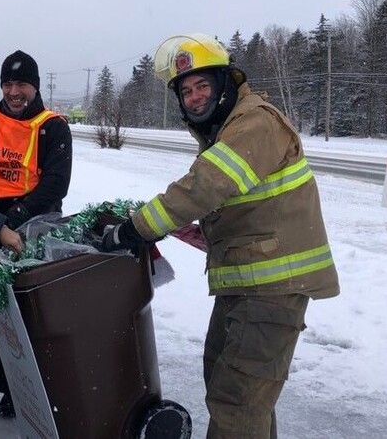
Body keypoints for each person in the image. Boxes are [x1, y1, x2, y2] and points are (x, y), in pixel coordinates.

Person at [101, 33, 340, 438]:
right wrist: (211, 233)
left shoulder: (255, 121)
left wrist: (136, 228)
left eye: (202, 86)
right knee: (240, 398)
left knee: (238, 404)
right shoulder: (229, 127)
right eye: (186, 92)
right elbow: (247, 202)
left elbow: (206, 185)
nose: (194, 98)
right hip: (247, 285)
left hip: (271, 290)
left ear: (226, 83)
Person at [0, 50, 73, 418]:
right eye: (7, 83)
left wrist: (18, 216)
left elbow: (56, 183)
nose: (13, 91)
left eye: (21, 83)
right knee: (3, 321)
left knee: (41, 316)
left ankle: (50, 390)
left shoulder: (52, 127)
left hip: (37, 229)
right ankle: (13, 389)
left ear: (35, 87)